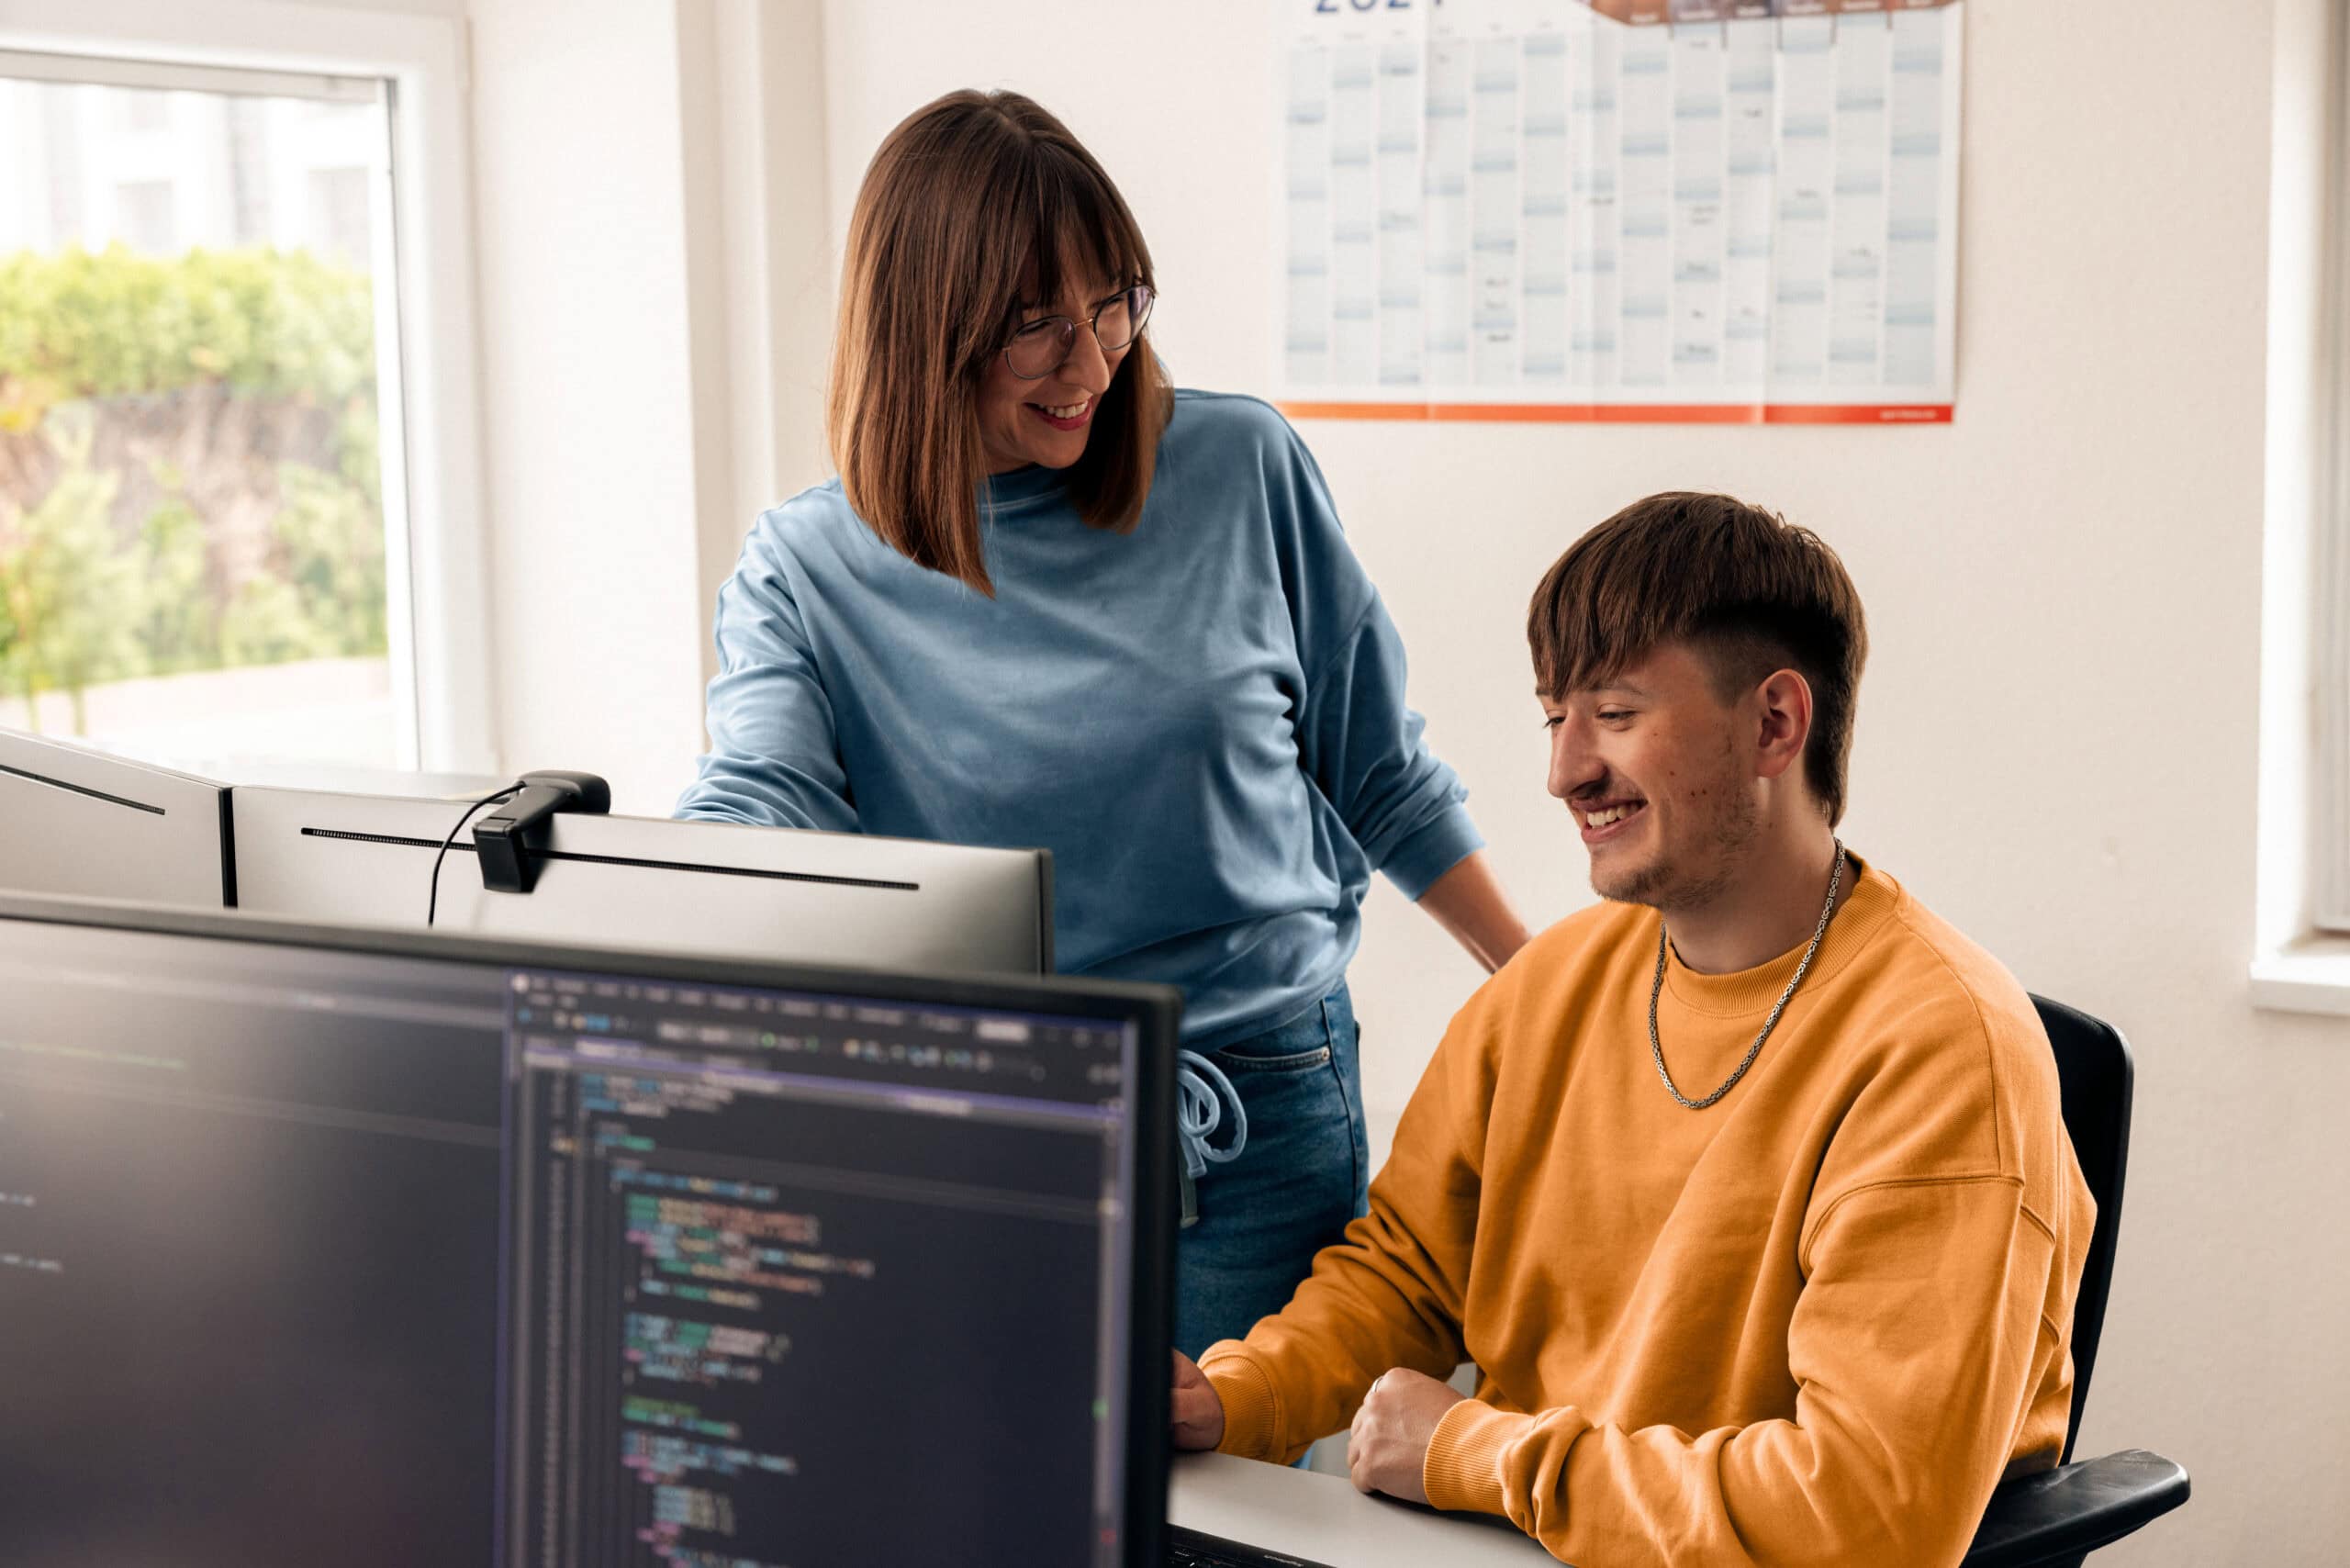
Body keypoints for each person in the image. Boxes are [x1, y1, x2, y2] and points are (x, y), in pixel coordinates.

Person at [675, 89, 1530, 1356]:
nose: (1093, 363)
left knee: (1239, 1534)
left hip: (1257, 1108)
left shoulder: (1240, 468)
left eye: (1113, 303)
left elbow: (1380, 772)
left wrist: (1551, 992)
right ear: (926, 334)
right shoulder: (806, 569)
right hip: (976, 1135)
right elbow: (760, 809)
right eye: (1036, 327)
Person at [1169, 492, 2096, 1566]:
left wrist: (1477, 1453)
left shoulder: (1944, 1053)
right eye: (1554, 717)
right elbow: (1409, 1272)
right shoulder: (1546, 987)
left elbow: (1870, 1517)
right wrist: (1234, 1396)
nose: (1564, 770)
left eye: (1613, 713)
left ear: (1774, 724)